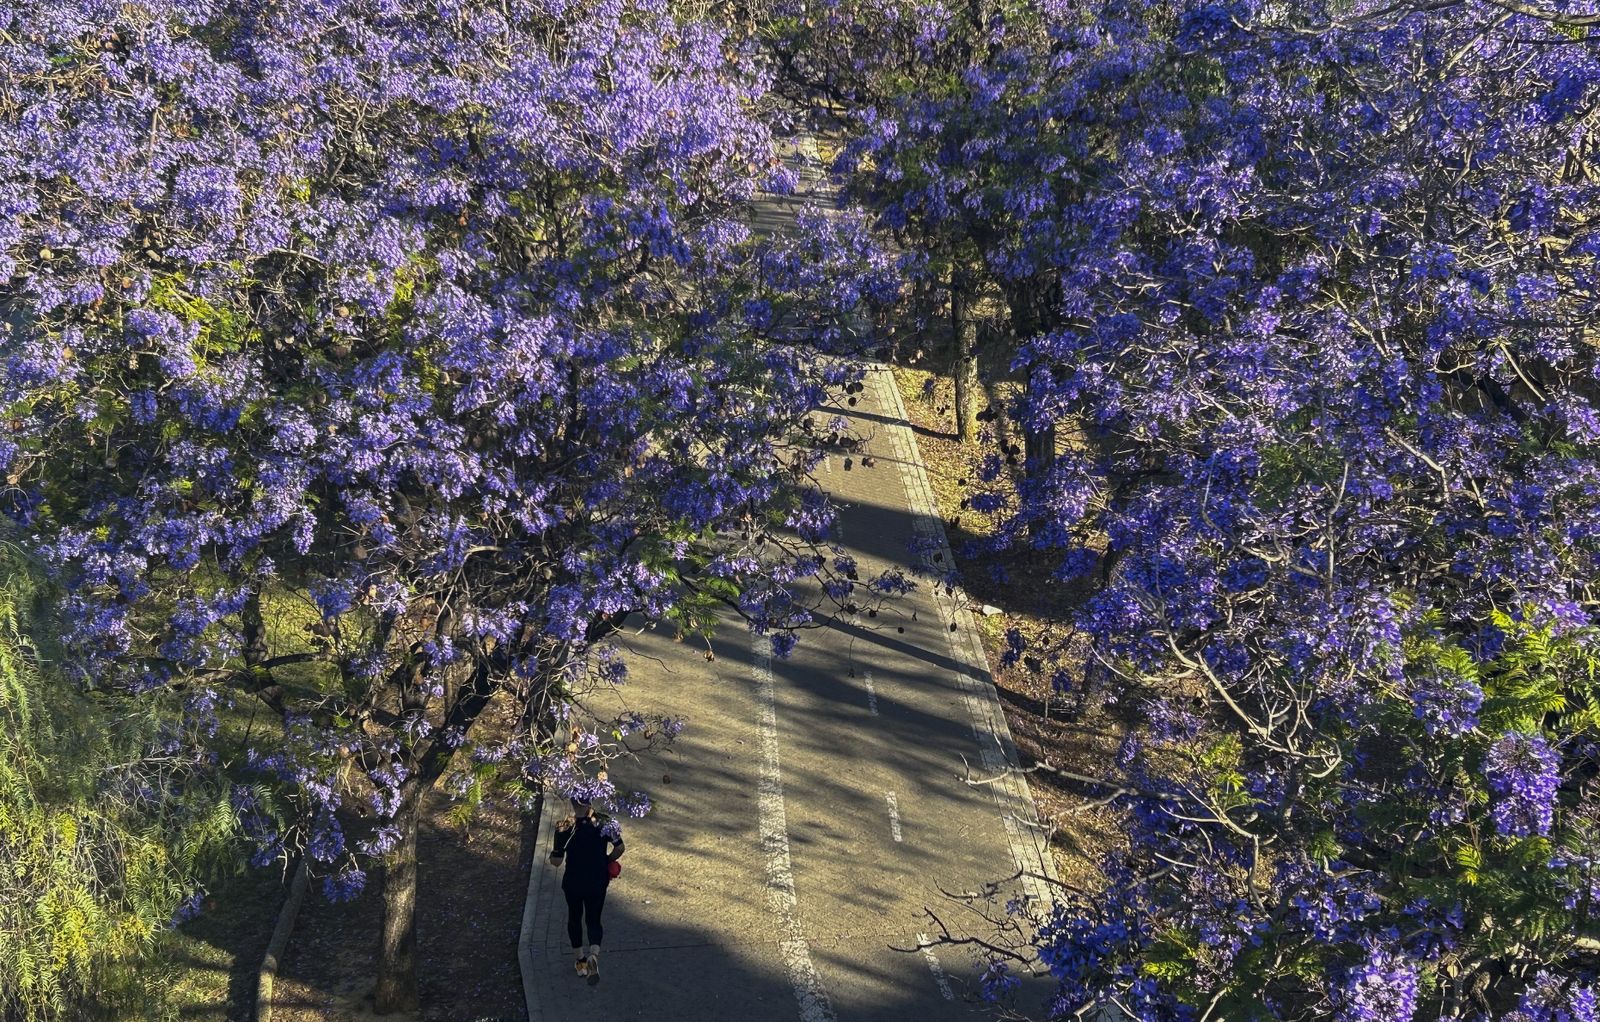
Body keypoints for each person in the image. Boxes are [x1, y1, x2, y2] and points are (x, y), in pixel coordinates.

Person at [549, 796, 625, 985]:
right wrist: (607, 860)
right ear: (591, 801)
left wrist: (554, 854)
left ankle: (581, 961)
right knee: (594, 919)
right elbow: (620, 848)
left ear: (572, 803)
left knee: (574, 918)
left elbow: (557, 861)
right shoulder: (604, 822)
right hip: (597, 880)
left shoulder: (564, 826)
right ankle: (594, 954)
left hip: (573, 882)